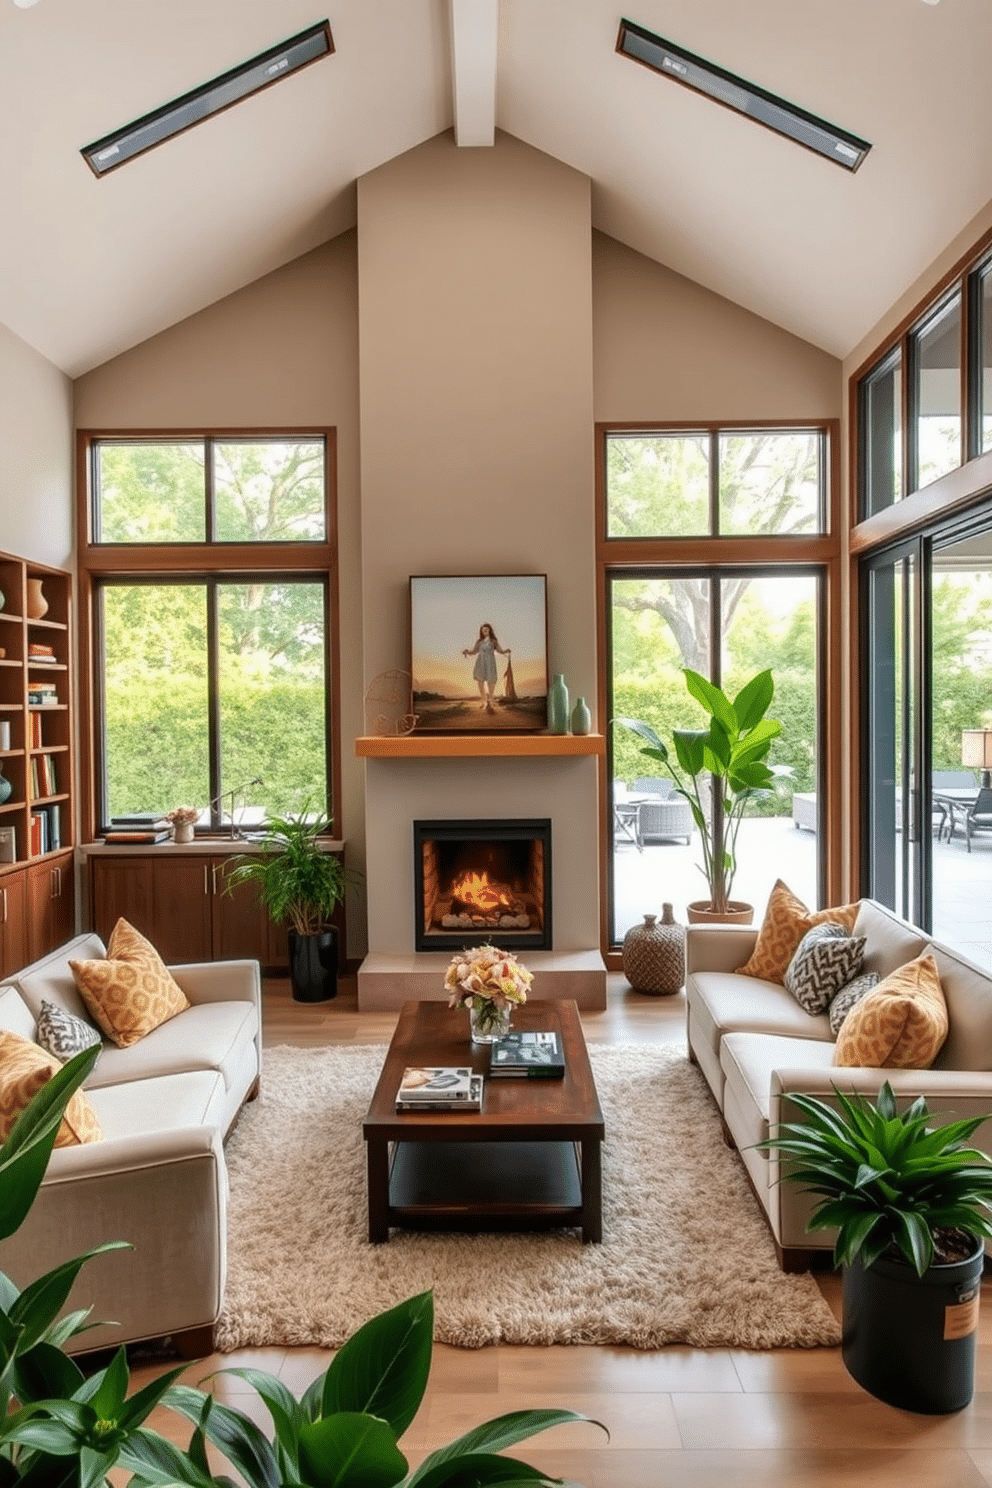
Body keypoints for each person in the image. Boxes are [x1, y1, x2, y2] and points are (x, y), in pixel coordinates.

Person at [462, 622, 510, 712]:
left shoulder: (493, 641)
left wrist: (505, 651)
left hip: (490, 662)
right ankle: (483, 701)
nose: (485, 631)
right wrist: (467, 652)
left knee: (491, 681)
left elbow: (499, 650)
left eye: (487, 629)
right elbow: (474, 651)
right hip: (481, 662)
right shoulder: (479, 642)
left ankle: (491, 701)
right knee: (480, 681)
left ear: (490, 630)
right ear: (481, 631)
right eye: (483, 629)